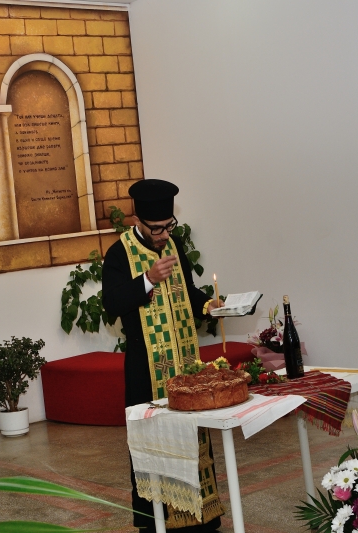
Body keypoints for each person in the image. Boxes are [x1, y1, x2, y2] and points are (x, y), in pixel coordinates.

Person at [102, 179, 225, 532]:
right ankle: (154, 522)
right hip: (146, 369)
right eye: (156, 228)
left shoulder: (174, 244)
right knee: (151, 446)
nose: (163, 235)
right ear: (137, 221)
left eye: (168, 226)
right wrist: (148, 279)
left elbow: (187, 290)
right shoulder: (119, 253)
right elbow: (112, 303)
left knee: (190, 437)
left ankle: (200, 519)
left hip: (184, 365)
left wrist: (208, 304)